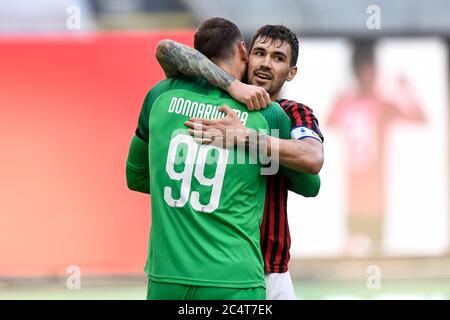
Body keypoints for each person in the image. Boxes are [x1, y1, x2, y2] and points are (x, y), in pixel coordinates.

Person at [126, 18, 320, 300]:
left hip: (271, 269)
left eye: (278, 58)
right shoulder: (260, 113)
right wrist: (232, 85)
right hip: (239, 271)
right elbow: (167, 49)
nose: (265, 63)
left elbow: (312, 167)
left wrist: (248, 142)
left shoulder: (290, 113)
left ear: (292, 72)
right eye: (260, 53)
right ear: (245, 53)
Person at [326, 40, 425, 257]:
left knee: (376, 256)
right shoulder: (359, 102)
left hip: (376, 196)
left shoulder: (379, 103)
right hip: (355, 195)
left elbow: (420, 119)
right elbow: (327, 123)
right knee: (352, 255)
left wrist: (406, 90)